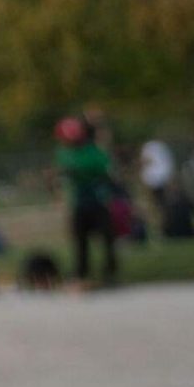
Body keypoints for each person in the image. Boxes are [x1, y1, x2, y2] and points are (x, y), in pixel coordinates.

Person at [54, 116, 120, 287]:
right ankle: (81, 273)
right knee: (80, 241)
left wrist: (79, 170)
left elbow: (103, 168)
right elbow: (64, 171)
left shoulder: (93, 151)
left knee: (107, 238)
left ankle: (109, 273)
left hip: (98, 201)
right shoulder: (65, 153)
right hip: (78, 202)